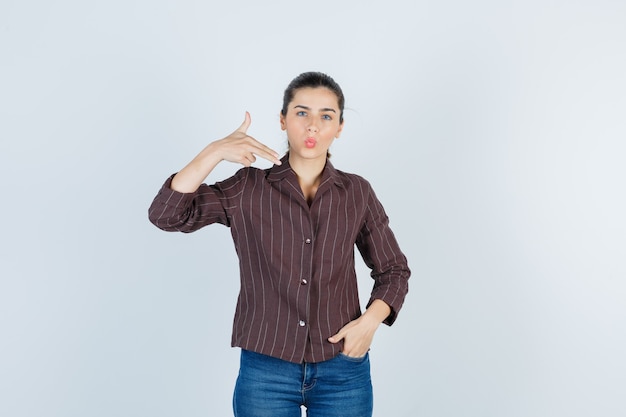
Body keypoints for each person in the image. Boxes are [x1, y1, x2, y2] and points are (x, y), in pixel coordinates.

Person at [148, 71, 410, 417]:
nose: (313, 126)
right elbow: (167, 215)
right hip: (265, 370)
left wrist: (369, 323)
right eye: (302, 113)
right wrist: (213, 152)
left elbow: (393, 270)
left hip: (342, 369)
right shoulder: (248, 188)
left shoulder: (357, 192)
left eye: (326, 116)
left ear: (340, 127)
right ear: (283, 120)